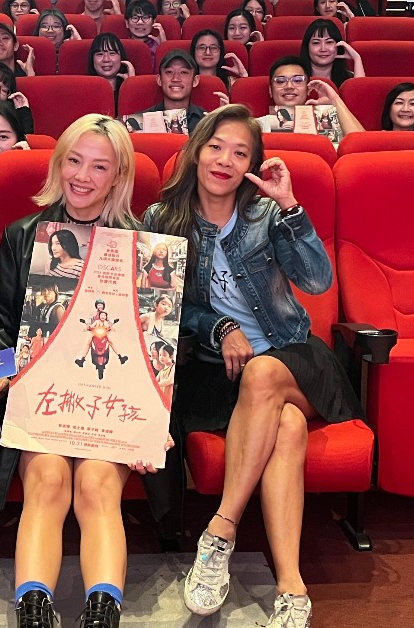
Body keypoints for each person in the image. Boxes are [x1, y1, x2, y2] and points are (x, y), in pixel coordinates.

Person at [143, 103, 363, 628]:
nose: (225, 160)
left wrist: (290, 207)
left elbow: (316, 281)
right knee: (287, 426)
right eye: (216, 147)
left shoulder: (267, 216)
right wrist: (220, 327)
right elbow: (164, 308)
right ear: (196, 151)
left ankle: (220, 530)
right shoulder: (162, 220)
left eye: (240, 153)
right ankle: (291, 586)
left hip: (292, 357)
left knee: (264, 373)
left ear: (252, 166)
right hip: (215, 371)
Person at [0, 114, 179, 628]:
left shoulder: (146, 249)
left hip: (111, 406)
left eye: (99, 167)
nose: (83, 176)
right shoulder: (23, 236)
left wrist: (156, 417)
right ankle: (33, 612)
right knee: (46, 481)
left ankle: (102, 614)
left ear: (119, 176)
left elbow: (162, 343)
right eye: (74, 161)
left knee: (96, 485)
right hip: (44, 403)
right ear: (58, 163)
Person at [256, 55, 365, 147]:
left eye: (297, 80)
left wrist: (335, 100)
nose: (289, 86)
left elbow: (361, 145)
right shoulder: (257, 125)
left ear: (308, 88)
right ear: (270, 90)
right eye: (280, 81)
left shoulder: (327, 120)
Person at [135, 49, 229, 134]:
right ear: (159, 80)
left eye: (183, 72)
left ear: (195, 81)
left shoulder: (207, 121)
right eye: (169, 72)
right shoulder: (141, 121)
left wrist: (223, 123)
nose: (176, 79)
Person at [300, 19, 363, 87]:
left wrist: (357, 58)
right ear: (307, 47)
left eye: (329, 42)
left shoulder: (348, 78)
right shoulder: (296, 77)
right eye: (316, 43)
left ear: (339, 46)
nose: (323, 49)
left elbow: (360, 91)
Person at [89, 33, 134, 110]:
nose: (106, 59)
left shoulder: (130, 87)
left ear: (121, 57)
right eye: (100, 54)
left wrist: (131, 85)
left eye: (112, 53)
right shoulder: (84, 90)